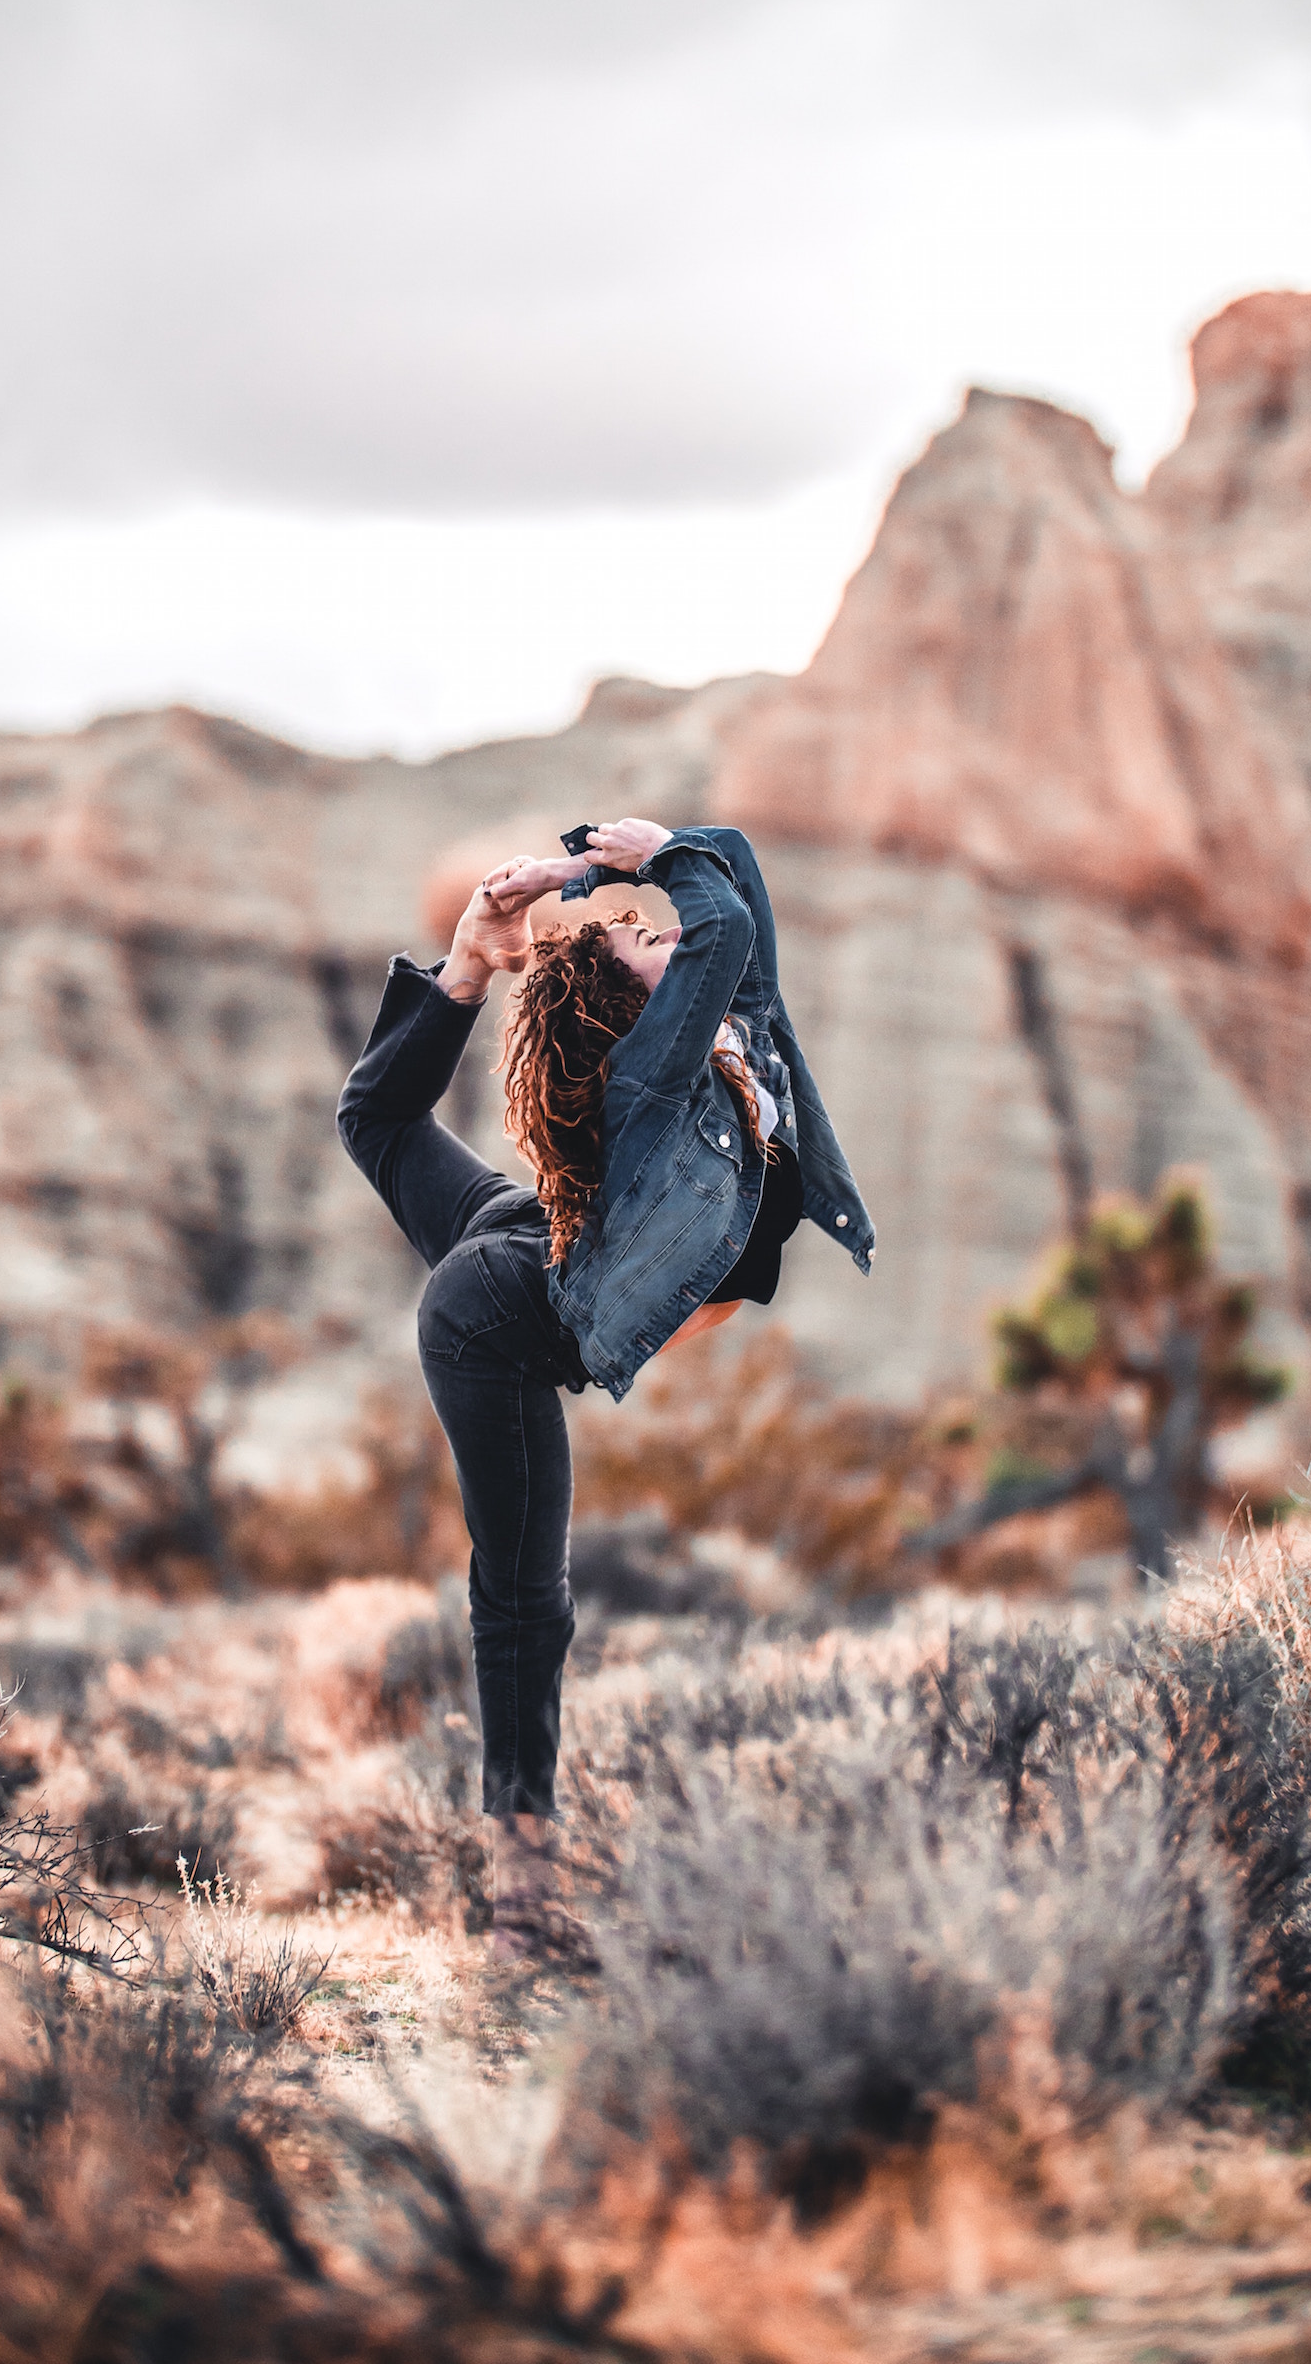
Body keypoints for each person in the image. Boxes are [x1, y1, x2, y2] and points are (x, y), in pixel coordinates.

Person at [337, 819, 872, 1954]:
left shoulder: (730, 1034)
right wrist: (636, 858)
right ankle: (521, 1903)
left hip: (532, 1236)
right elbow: (712, 911)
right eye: (636, 939)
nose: (651, 928)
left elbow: (737, 887)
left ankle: (467, 971)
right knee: (529, 1598)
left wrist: (481, 947)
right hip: (498, 1315)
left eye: (642, 926)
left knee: (377, 1123)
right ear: (631, 1015)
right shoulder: (648, 1086)